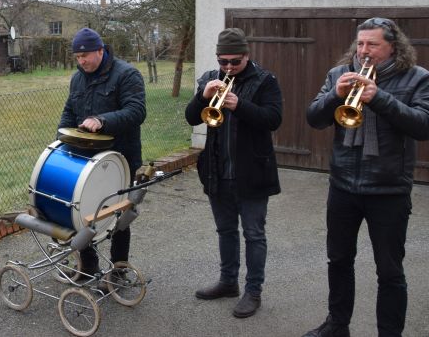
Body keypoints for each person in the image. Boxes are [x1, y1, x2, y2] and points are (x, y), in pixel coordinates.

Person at [302, 18, 429, 337]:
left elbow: (423, 126)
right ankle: (337, 325)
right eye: (360, 44)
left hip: (389, 191)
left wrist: (379, 97)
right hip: (343, 186)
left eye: (372, 44)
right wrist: (335, 96)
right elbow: (314, 118)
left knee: (389, 271)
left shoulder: (417, 79)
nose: (364, 51)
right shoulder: (339, 74)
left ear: (393, 46)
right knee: (339, 260)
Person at [184, 27, 282, 319]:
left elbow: (273, 119)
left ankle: (253, 291)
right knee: (225, 231)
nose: (227, 67)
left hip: (252, 171)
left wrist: (240, 105)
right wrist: (203, 97)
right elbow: (192, 117)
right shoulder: (209, 79)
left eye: (234, 62)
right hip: (217, 170)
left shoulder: (265, 80)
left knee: (254, 234)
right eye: (222, 61)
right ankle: (228, 282)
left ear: (246, 56)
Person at [58, 27, 146, 277]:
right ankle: (89, 266)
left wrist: (102, 120)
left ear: (100, 50)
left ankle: (119, 270)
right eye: (77, 57)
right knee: (82, 213)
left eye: (85, 55)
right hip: (85, 159)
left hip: (119, 159)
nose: (81, 61)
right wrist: (60, 139)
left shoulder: (127, 74)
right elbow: (69, 112)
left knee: (119, 216)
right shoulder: (78, 78)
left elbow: (137, 111)